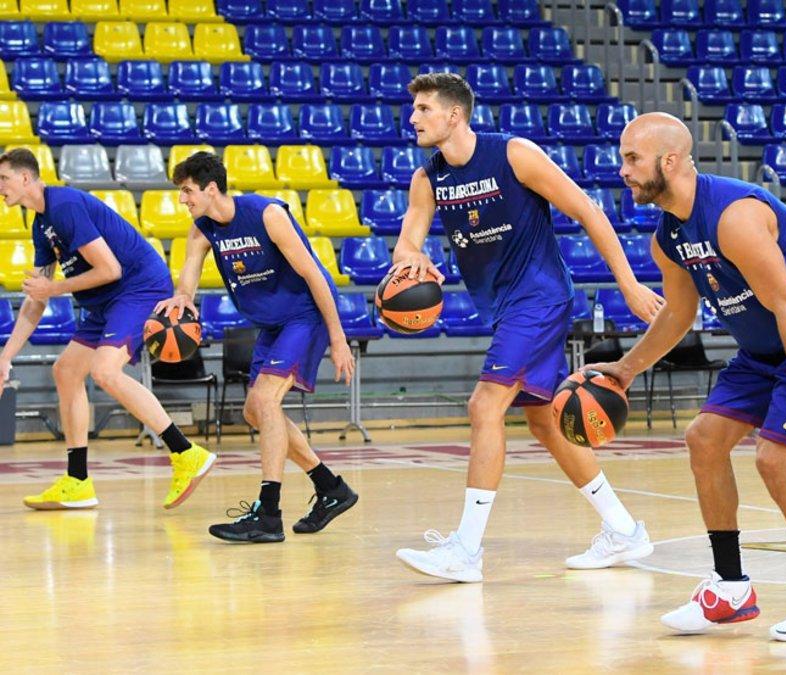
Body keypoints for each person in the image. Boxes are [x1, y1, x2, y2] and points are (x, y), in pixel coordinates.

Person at [589, 112, 786, 641]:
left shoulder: (734, 217)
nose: (623, 170)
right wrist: (626, 369)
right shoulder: (669, 235)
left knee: (775, 461)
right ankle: (729, 589)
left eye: (632, 158)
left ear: (669, 161)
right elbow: (677, 314)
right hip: (767, 341)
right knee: (704, 438)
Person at [390, 73, 664, 582]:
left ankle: (466, 551)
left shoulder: (514, 154)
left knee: (484, 405)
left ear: (454, 115)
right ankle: (624, 531)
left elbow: (587, 210)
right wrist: (413, 261)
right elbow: (408, 239)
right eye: (415, 110)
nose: (414, 118)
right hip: (504, 306)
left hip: (539, 297)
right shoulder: (427, 179)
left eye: (424, 109)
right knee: (543, 420)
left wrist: (627, 284)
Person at [0, 148, 215, 511]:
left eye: (3, 179)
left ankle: (185, 452)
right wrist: (5, 358)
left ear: (25, 178)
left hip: (137, 287)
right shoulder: (40, 225)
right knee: (66, 371)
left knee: (104, 371)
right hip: (104, 300)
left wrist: (53, 289)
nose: (0, 187)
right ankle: (78, 481)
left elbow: (110, 269)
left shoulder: (64, 205)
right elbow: (36, 302)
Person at [162, 152, 358, 543]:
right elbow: (188, 277)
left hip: (305, 316)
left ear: (211, 188)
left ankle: (268, 514)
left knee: (266, 402)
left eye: (187, 191)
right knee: (255, 411)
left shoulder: (267, 215)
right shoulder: (202, 230)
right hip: (271, 324)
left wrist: (338, 337)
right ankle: (331, 489)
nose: (183, 200)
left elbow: (315, 276)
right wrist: (182, 297)